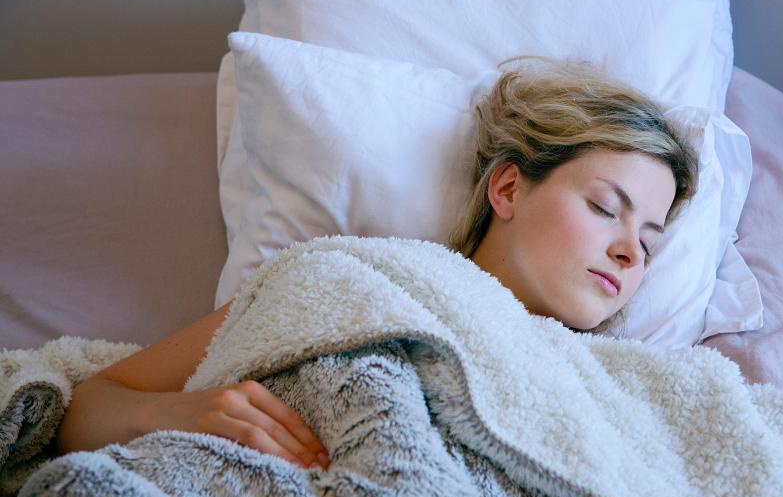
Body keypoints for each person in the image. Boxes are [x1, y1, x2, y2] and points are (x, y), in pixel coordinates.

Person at [55, 56, 698, 474]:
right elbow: (88, 407)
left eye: (648, 242)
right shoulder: (354, 280)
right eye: (604, 207)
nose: (627, 252)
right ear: (507, 190)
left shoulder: (624, 385)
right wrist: (182, 413)